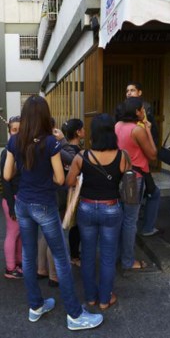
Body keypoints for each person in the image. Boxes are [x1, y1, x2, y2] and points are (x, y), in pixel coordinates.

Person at [3, 95, 103, 331]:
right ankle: (75, 315)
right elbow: (60, 178)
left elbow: (7, 175)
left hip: (23, 203)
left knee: (28, 257)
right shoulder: (50, 143)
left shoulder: (15, 140)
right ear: (45, 116)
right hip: (45, 205)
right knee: (61, 257)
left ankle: (36, 306)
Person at [66, 113, 128, 310]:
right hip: (111, 208)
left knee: (88, 254)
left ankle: (91, 297)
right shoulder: (122, 156)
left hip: (86, 207)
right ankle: (105, 299)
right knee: (108, 256)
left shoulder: (81, 156)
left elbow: (68, 182)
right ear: (112, 133)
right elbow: (128, 182)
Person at [115, 97, 157, 271]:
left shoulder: (117, 125)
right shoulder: (137, 130)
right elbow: (153, 154)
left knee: (120, 218)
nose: (143, 113)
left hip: (119, 175)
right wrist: (148, 130)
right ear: (137, 112)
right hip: (134, 178)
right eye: (142, 110)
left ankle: (119, 256)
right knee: (130, 221)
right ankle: (127, 261)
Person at [59, 118, 85, 266]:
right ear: (78, 132)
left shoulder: (63, 149)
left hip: (66, 190)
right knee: (76, 225)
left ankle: (74, 254)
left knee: (74, 224)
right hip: (75, 191)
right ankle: (74, 256)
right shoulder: (75, 152)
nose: (84, 131)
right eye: (82, 128)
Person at [0, 116, 23, 279]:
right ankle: (10, 267)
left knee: (20, 234)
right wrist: (11, 203)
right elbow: (5, 181)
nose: (17, 133)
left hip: (21, 198)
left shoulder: (22, 149)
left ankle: (19, 263)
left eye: (21, 130)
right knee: (13, 233)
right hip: (12, 198)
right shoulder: (6, 152)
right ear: (9, 131)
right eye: (14, 130)